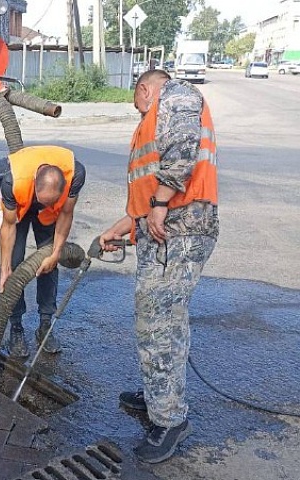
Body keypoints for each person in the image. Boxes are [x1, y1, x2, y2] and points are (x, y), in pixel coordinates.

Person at [99, 69, 218, 463]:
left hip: (180, 230)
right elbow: (149, 193)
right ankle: (158, 396)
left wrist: (161, 203)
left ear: (145, 89)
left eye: (138, 105)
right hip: (166, 232)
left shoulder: (177, 95)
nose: (139, 114)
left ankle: (169, 420)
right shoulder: (162, 109)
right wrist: (128, 224)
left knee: (159, 323)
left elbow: (183, 148)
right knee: (163, 321)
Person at [0, 145, 85, 358]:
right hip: (19, 210)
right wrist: (4, 269)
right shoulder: (13, 180)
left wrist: (56, 252)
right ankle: (16, 328)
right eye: (42, 200)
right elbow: (8, 227)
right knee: (14, 266)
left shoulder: (75, 174)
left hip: (50, 214)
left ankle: (45, 325)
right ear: (35, 186)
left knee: (49, 263)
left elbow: (66, 213)